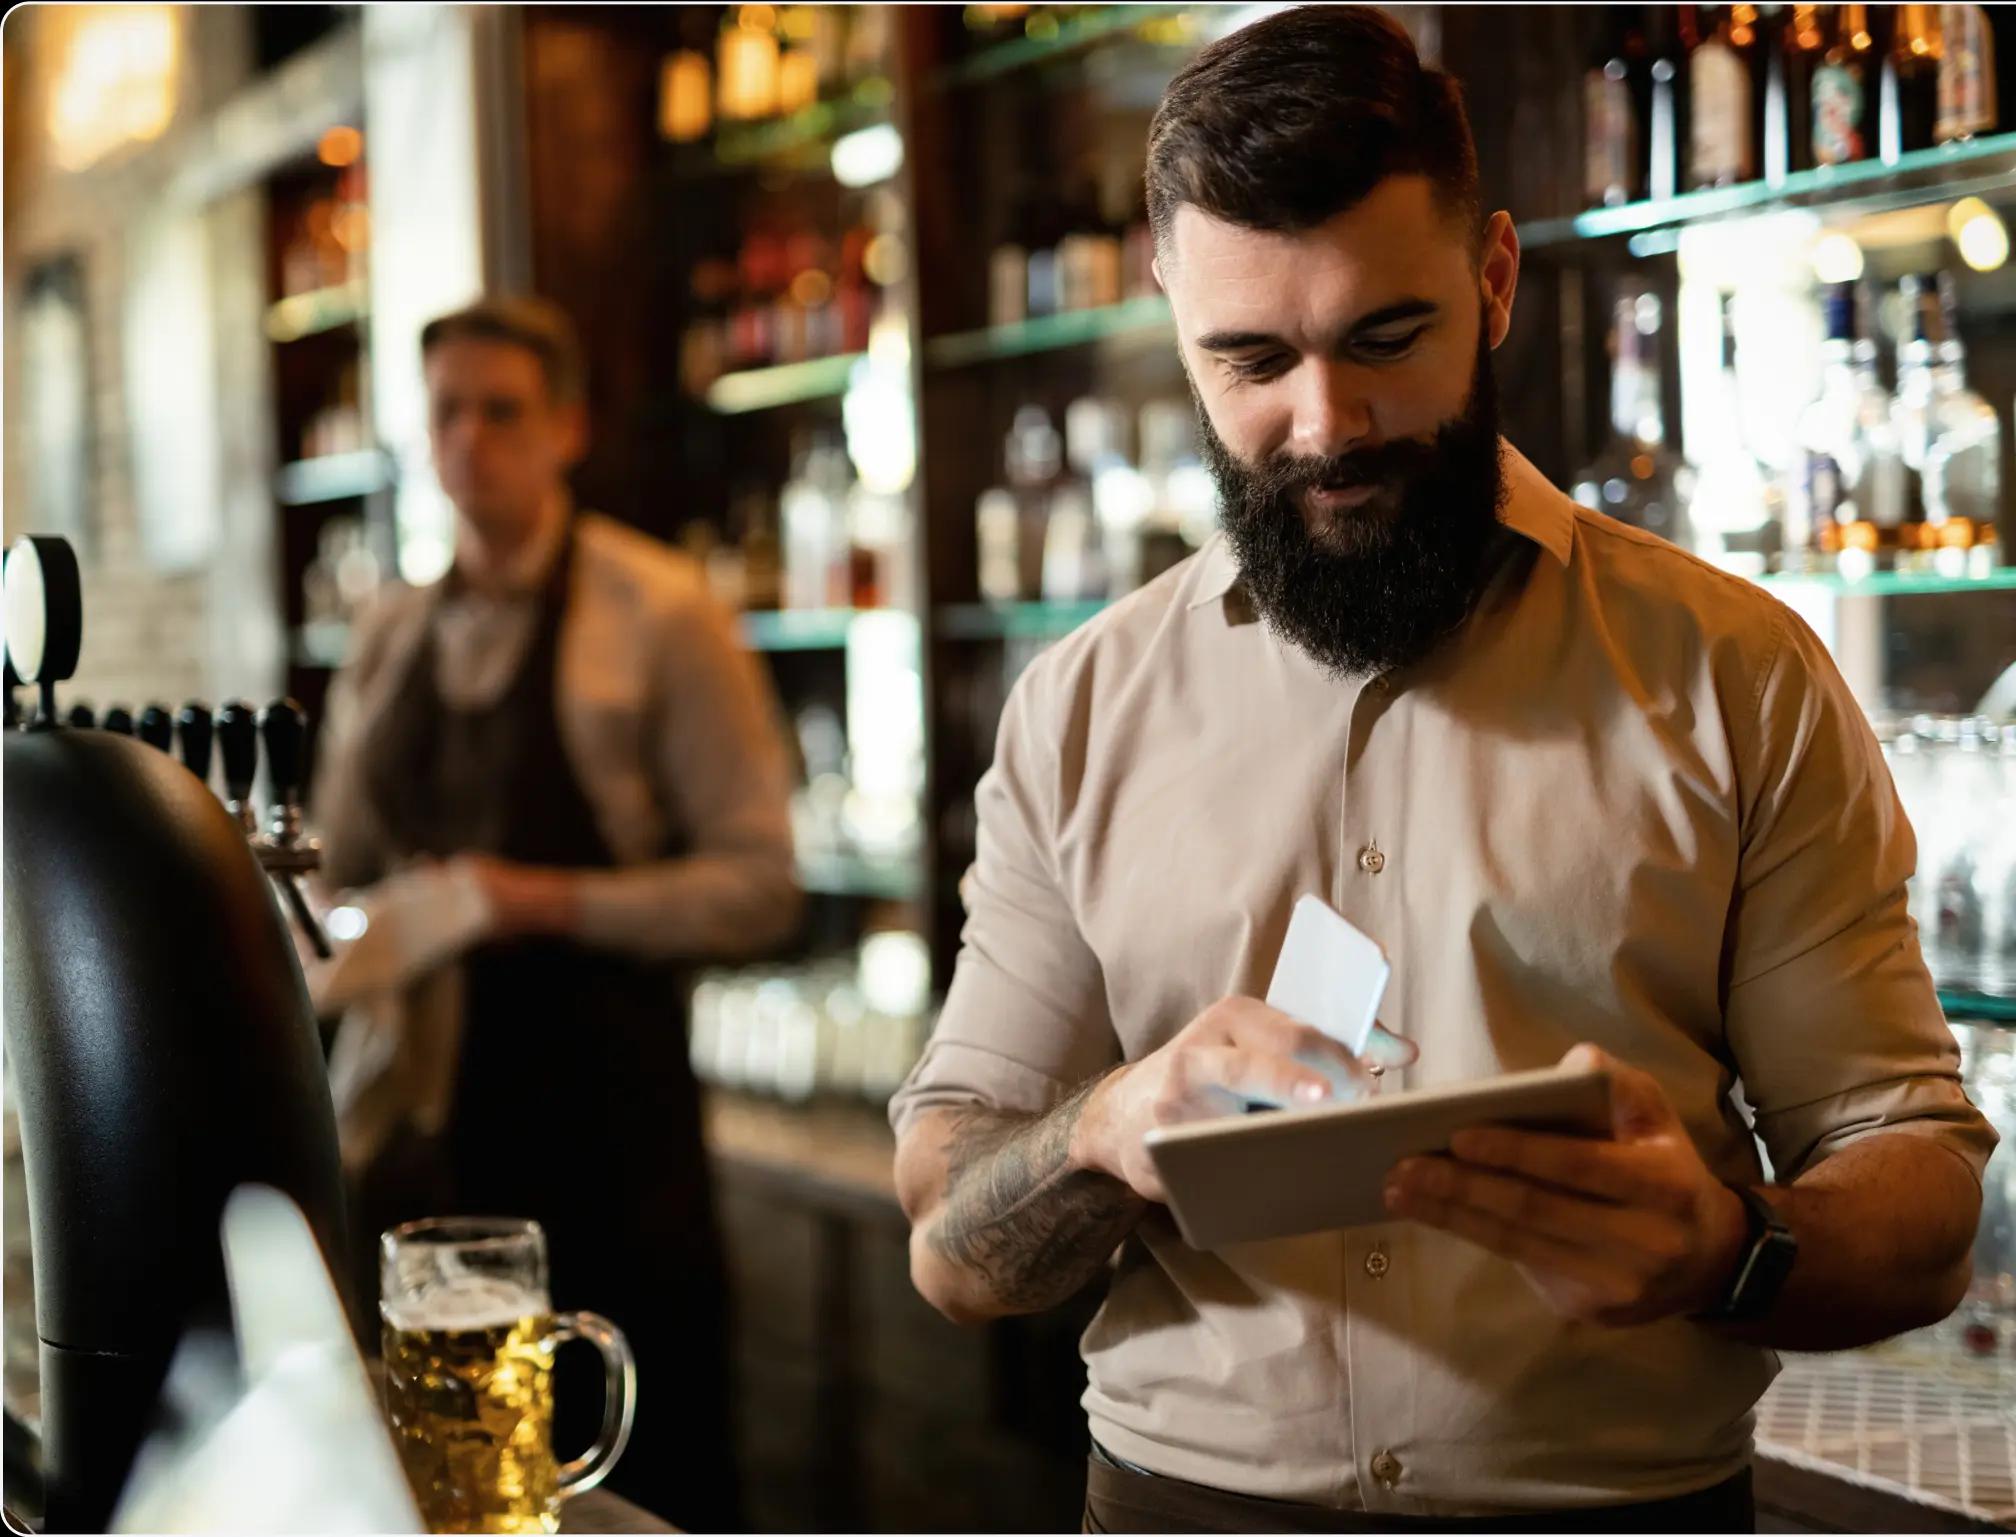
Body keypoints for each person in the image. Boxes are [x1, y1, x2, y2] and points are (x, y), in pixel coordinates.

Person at [889, 9, 1997, 1533]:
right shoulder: (1077, 708)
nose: (1325, 424)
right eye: (1251, 359)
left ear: (1492, 281)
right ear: (1172, 316)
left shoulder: (1736, 673)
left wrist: (1730, 1247)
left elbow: (1917, 1185)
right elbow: (950, 1242)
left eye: (1384, 339)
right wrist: (1109, 1126)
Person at [314, 295, 799, 1532]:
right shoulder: (387, 634)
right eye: (446, 415)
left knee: (641, 1472)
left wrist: (523, 900)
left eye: (503, 410)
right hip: (429, 1143)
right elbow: (330, 869)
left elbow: (758, 885)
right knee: (453, 1484)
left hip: (609, 1133)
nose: (471, 440)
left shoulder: (662, 612)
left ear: (568, 425)